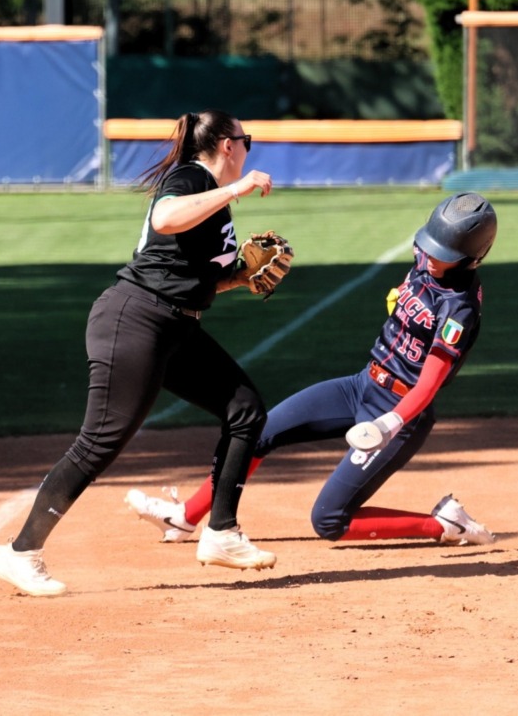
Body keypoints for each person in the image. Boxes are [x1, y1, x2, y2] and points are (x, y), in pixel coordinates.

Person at [0, 109, 281, 597]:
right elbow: (165, 217)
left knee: (245, 410)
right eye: (245, 139)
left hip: (173, 325)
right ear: (228, 146)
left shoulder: (209, 199)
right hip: (136, 319)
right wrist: (238, 188)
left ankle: (222, 534)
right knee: (99, 443)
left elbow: (194, 278)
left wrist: (242, 277)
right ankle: (23, 552)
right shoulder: (192, 177)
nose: (248, 149)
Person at [125, 192, 499, 549]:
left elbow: (429, 385)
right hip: (362, 384)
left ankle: (445, 525)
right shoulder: (425, 260)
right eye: (430, 245)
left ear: (471, 258)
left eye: (443, 253)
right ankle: (185, 517)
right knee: (259, 431)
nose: (431, 256)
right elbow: (415, 290)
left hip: (401, 413)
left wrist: (389, 425)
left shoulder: (460, 309)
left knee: (329, 520)